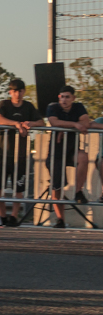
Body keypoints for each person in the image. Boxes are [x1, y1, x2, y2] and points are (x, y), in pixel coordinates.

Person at [45, 85, 102, 227]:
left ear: (73, 98)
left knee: (83, 157)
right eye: (62, 97)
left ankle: (78, 192)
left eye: (67, 97)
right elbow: (54, 122)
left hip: (71, 150)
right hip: (56, 152)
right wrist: (74, 125)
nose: (64, 100)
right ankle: (60, 219)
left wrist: (65, 128)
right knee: (57, 187)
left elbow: (86, 122)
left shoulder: (78, 107)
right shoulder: (53, 107)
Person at [0, 79, 43, 228]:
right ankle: (1, 217)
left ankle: (14, 217)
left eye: (20, 91)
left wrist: (30, 123)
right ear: (10, 92)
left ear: (24, 91)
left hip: (20, 154)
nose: (17, 94)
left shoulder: (28, 106)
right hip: (3, 153)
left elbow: (41, 122)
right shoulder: (4, 104)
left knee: (18, 188)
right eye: (14, 91)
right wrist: (16, 124)